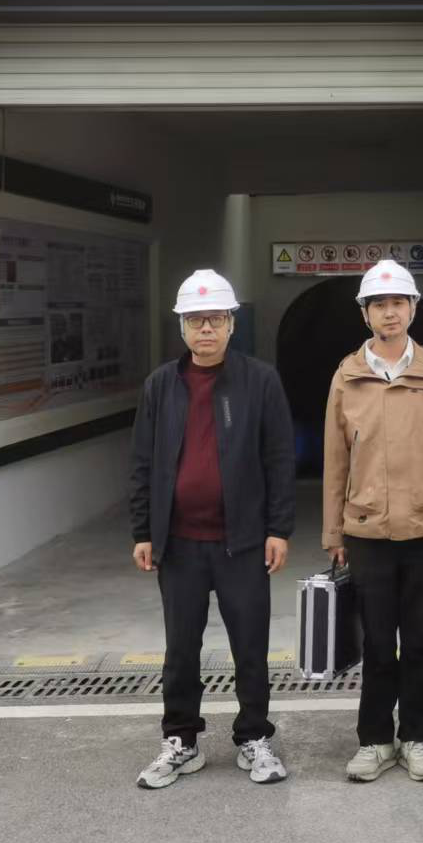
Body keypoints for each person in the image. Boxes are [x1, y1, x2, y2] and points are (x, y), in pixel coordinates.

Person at [129, 269, 294, 790]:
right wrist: (143, 530)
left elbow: (279, 458)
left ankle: (254, 737)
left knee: (251, 645)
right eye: (196, 320)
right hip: (178, 544)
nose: (206, 328)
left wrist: (278, 528)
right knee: (180, 648)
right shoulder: (161, 385)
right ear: (182, 326)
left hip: (242, 541)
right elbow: (142, 462)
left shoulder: (259, 380)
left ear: (231, 324)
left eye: (216, 319)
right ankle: (181, 739)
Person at [322, 258, 423, 783]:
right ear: (365, 314)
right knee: (378, 642)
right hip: (367, 530)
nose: (390, 312)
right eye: (379, 304)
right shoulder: (348, 375)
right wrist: (334, 531)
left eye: (398, 303)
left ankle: (416, 738)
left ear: (413, 308)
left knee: (422, 641)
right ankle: (375, 740)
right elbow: (335, 459)